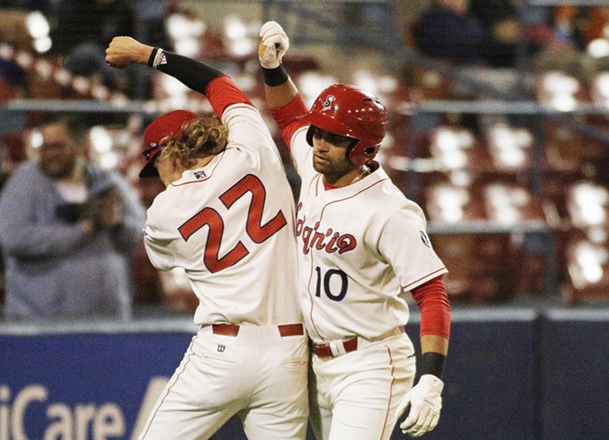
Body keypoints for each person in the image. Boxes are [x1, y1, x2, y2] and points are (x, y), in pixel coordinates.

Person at [105, 36, 308, 440]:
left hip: (223, 352)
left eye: (155, 166)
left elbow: (163, 255)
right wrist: (148, 55)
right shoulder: (255, 150)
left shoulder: (164, 211)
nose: (157, 179)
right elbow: (218, 83)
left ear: (168, 151)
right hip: (289, 352)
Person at [258, 21, 452, 439]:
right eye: (319, 133)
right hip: (315, 363)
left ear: (362, 147)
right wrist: (273, 68)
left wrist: (432, 379)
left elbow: (432, 294)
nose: (319, 144)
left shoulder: (391, 211)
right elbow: (290, 115)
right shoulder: (314, 167)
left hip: (370, 363)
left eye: (334, 137)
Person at [0, 116, 146, 320]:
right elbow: (15, 237)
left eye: (57, 146)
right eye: (44, 147)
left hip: (106, 321)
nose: (49, 154)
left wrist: (117, 224)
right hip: (40, 323)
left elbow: (140, 231)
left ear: (80, 146)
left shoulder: (108, 182)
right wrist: (82, 230)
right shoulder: (24, 184)